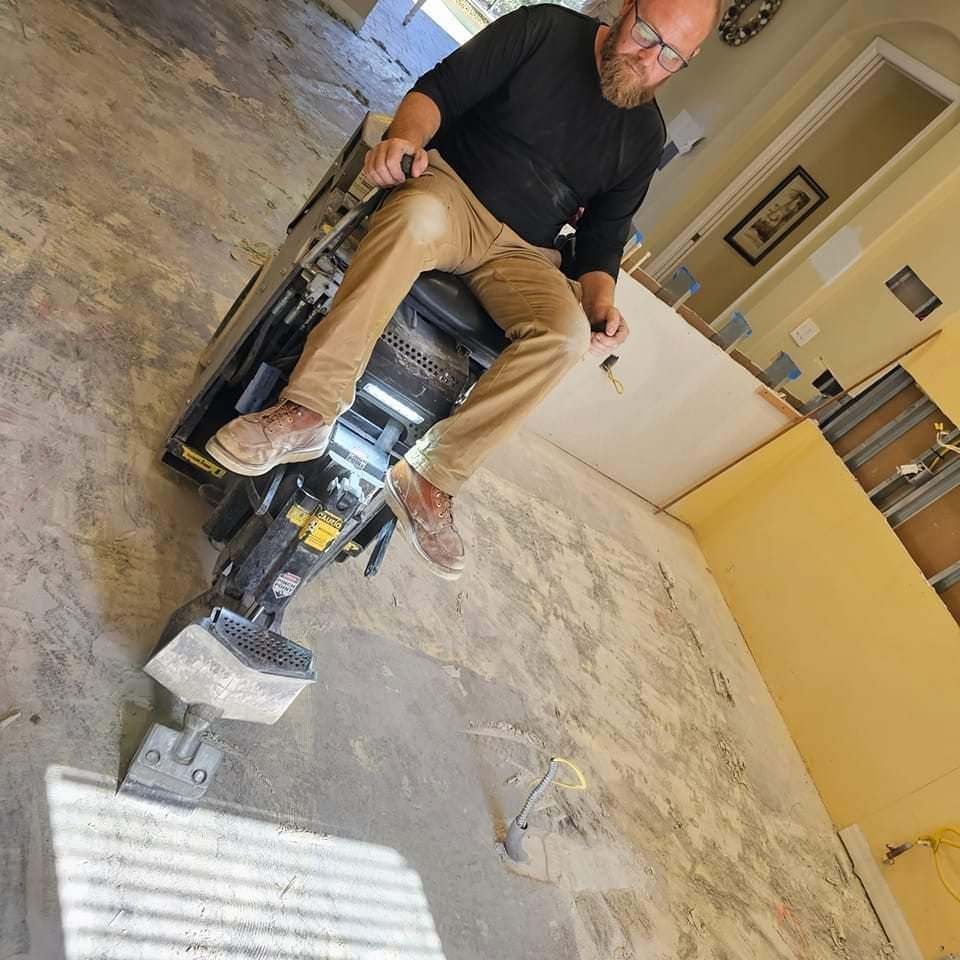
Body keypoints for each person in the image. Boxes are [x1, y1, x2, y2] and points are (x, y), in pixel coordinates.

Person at [206, 0, 720, 580]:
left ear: (689, 60)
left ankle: (430, 477)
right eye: (646, 33)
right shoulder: (545, 28)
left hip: (526, 252)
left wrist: (600, 304)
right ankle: (310, 409)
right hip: (454, 192)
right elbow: (438, 91)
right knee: (413, 221)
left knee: (567, 335)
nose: (649, 58)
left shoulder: (645, 137)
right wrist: (402, 140)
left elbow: (602, 240)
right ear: (627, 9)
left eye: (669, 55)